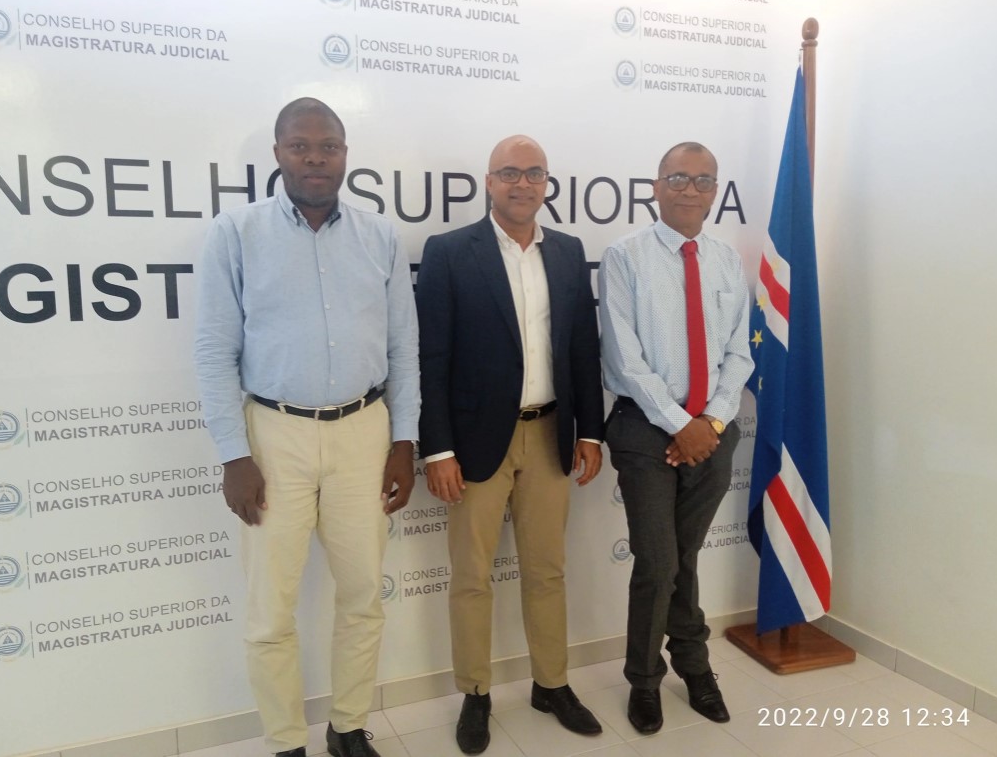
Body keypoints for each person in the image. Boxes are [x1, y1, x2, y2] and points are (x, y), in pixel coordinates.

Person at [194, 98, 419, 757]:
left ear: (345, 154)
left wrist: (403, 441)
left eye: (328, 146)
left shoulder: (379, 237)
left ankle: (347, 728)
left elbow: (403, 348)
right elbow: (213, 351)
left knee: (363, 597)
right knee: (271, 609)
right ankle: (287, 742)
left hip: (364, 433)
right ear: (278, 154)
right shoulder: (236, 233)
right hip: (273, 437)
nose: (315, 158)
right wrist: (234, 454)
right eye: (301, 146)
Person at [416, 135, 606, 755]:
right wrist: (437, 449)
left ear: (547, 182)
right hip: (474, 442)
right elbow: (430, 357)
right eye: (509, 173)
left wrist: (590, 430)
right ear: (489, 182)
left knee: (547, 570)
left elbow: (583, 349)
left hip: (550, 435)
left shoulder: (569, 252)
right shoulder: (449, 252)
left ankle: (551, 684)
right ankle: (476, 693)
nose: (522, 183)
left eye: (533, 173)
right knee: (472, 576)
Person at [598, 142, 753, 734]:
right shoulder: (625, 257)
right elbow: (623, 355)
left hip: (712, 433)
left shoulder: (726, 261)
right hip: (646, 429)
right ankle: (646, 679)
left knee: (682, 558)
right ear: (656, 187)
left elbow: (738, 354)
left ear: (715, 192)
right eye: (679, 178)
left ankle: (691, 665)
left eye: (703, 180)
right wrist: (678, 424)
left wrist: (709, 424)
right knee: (659, 560)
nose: (691, 190)